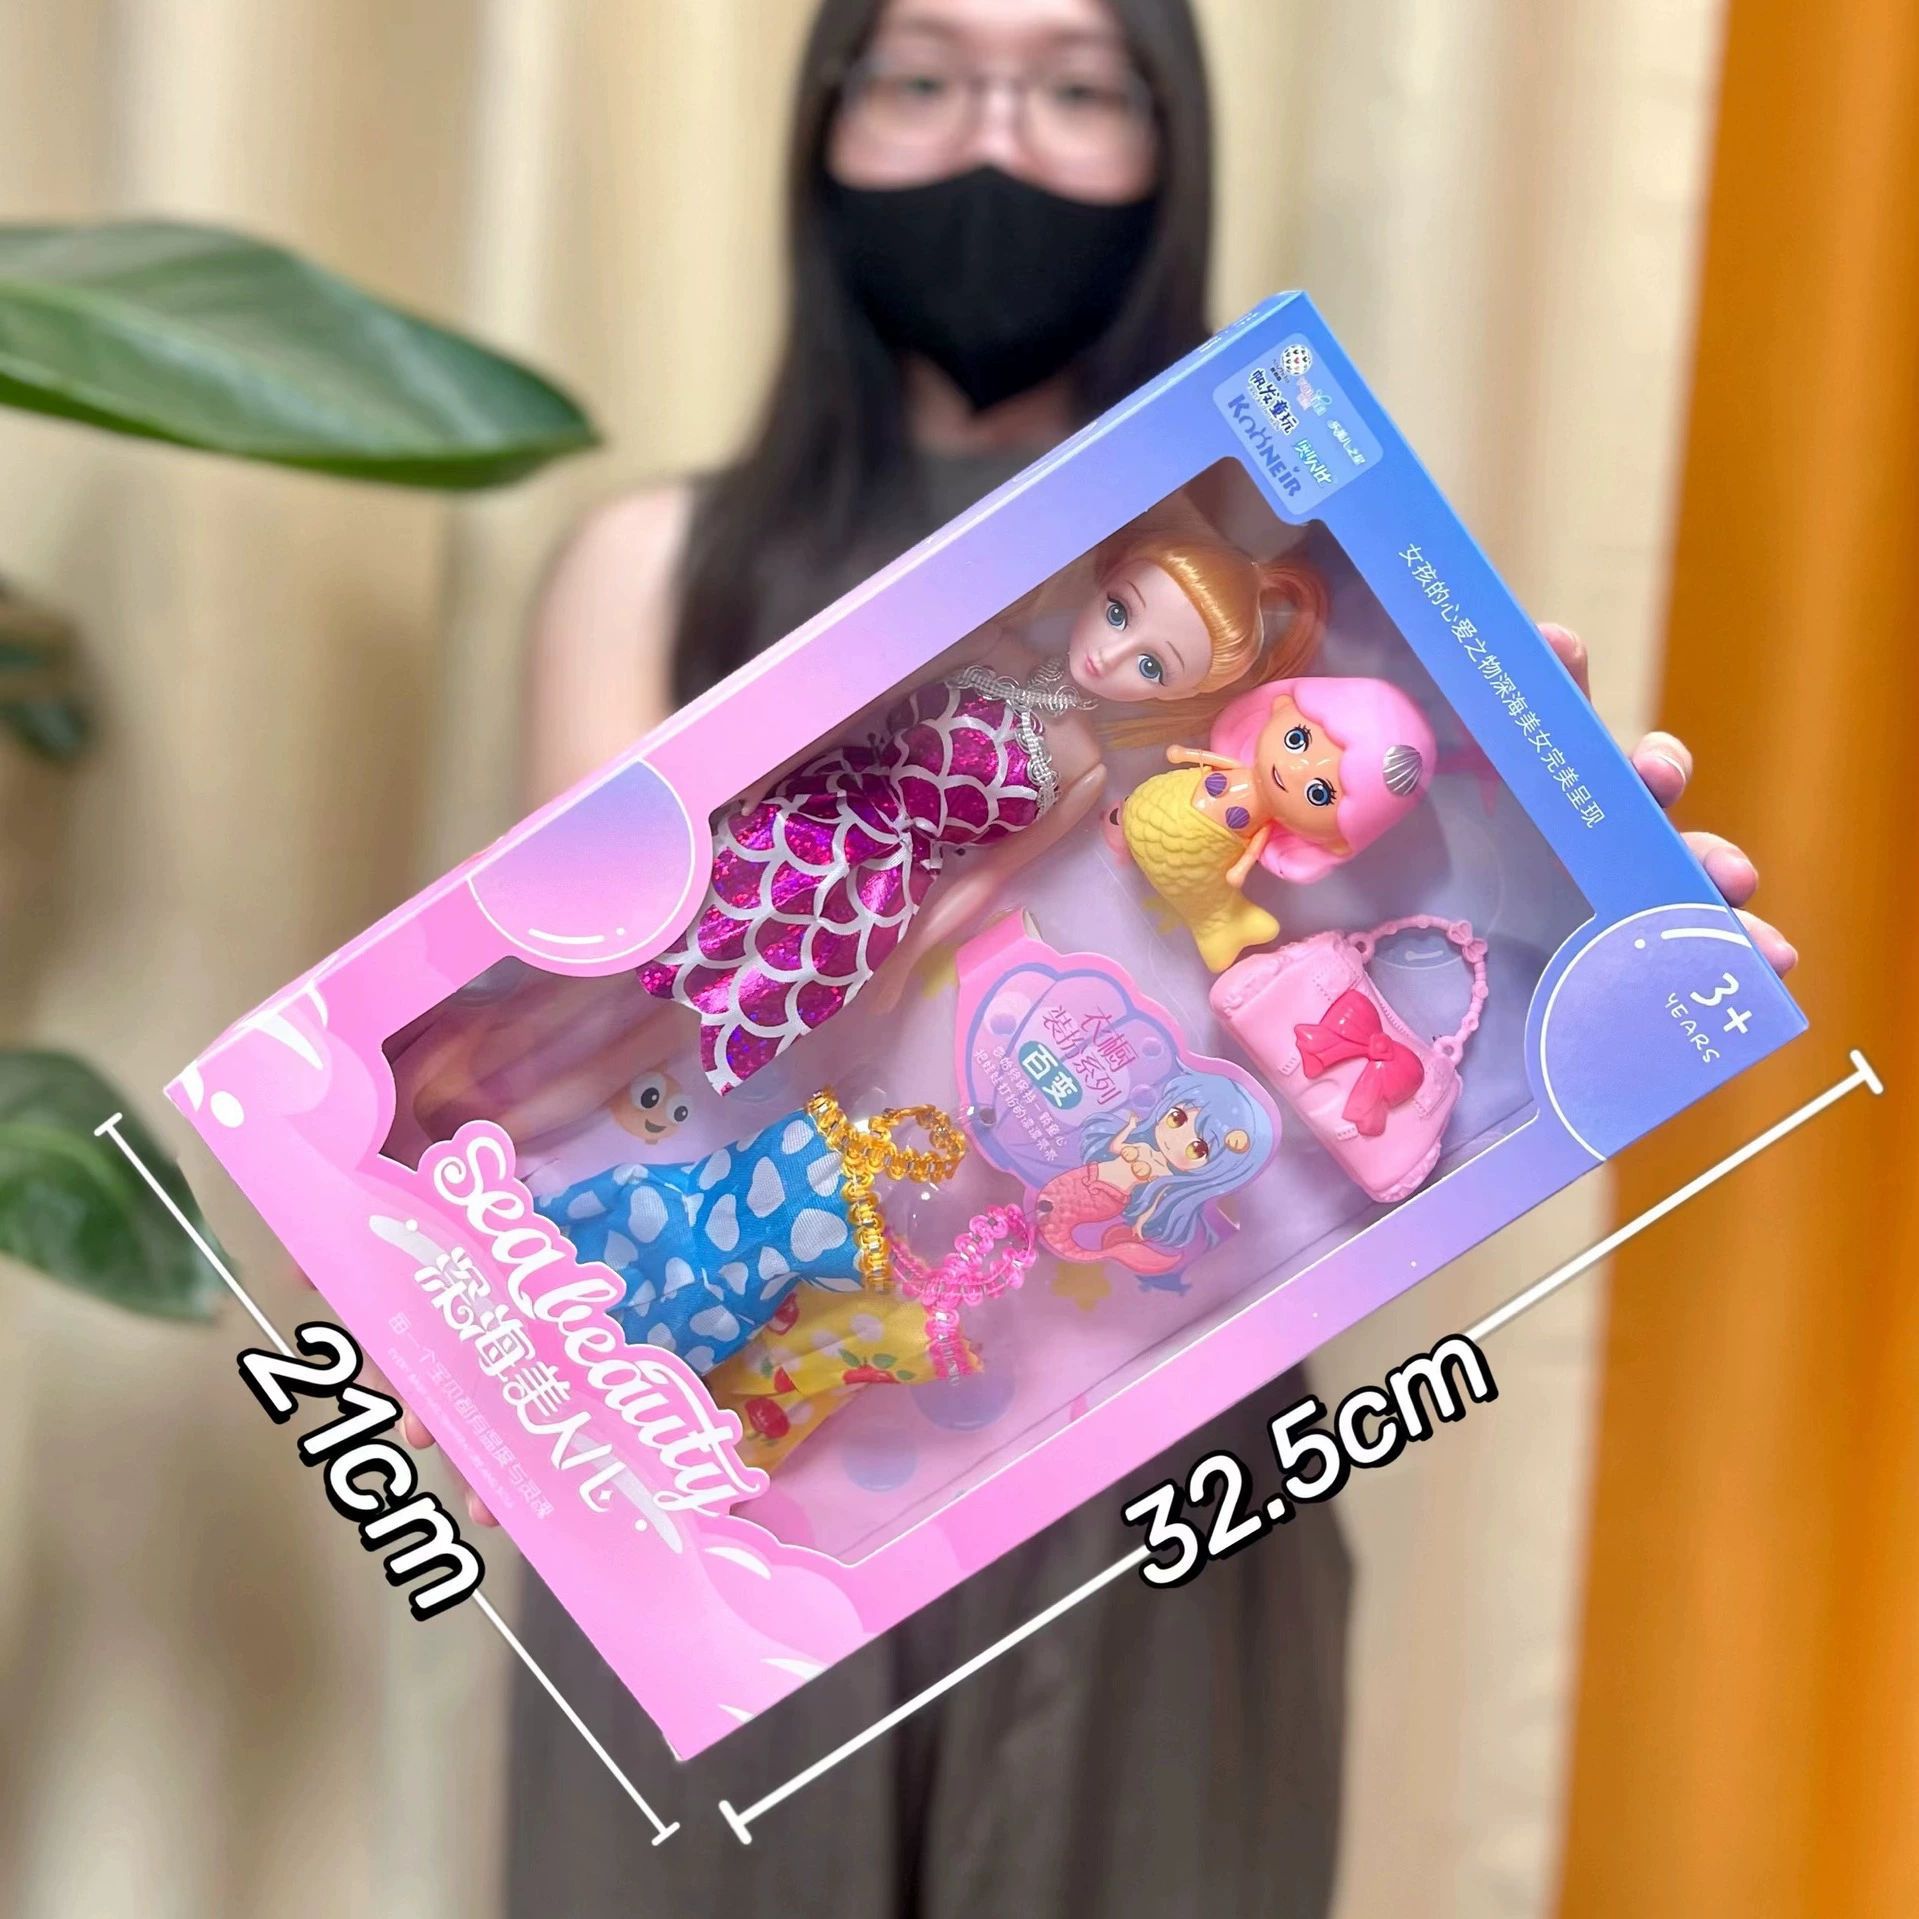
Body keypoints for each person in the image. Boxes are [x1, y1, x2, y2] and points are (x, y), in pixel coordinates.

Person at [408, 2, 1793, 1913]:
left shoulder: (1310, 608)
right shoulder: (659, 567)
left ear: (1170, 147)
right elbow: (592, 1057)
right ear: (826, 130)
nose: (996, 139)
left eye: (1074, 87)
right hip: (734, 1468)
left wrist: (1551, 900)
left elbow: (1343, 1078)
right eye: (922, 77)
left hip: (1158, 1488)